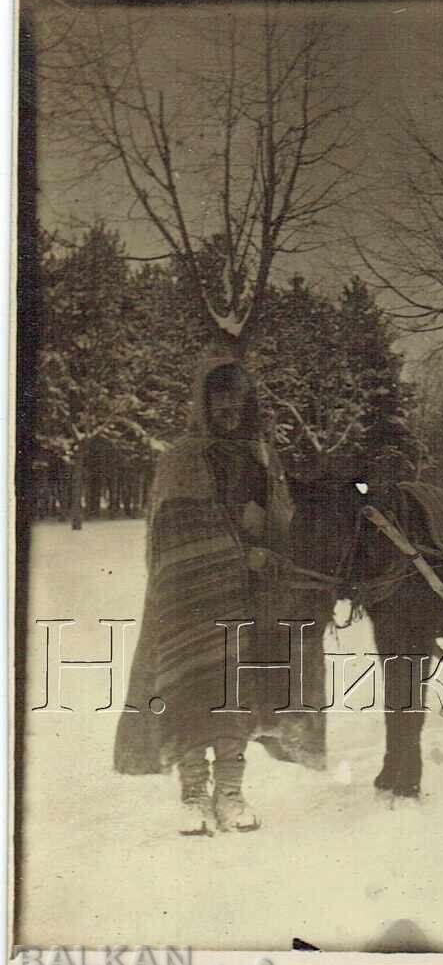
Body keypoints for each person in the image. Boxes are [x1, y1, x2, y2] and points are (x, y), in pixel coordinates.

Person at [114, 354, 293, 836]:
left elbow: (281, 521)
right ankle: (193, 792)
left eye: (238, 397)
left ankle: (230, 791)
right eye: (219, 397)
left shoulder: (262, 457)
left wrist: (270, 543)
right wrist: (240, 552)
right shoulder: (182, 458)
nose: (229, 407)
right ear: (203, 402)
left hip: (247, 597)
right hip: (189, 597)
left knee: (238, 694)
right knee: (191, 688)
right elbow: (175, 527)